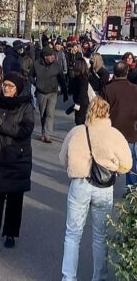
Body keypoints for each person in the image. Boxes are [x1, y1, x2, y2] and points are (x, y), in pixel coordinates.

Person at [59, 96, 132, 281]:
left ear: (89, 111)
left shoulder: (77, 132)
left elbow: (62, 158)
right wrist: (115, 166)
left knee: (73, 234)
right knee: (100, 236)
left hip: (80, 184)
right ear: (107, 113)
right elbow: (127, 164)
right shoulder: (114, 134)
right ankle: (99, 276)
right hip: (104, 188)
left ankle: (68, 277)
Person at [0, 72, 34, 252]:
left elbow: (25, 130)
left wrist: (2, 124)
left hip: (17, 159)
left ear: (18, 89)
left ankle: (11, 233)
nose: (6, 88)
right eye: (5, 85)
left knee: (14, 199)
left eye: (10, 86)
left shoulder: (26, 106)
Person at [102, 61, 137, 193]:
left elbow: (102, 111)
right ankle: (132, 188)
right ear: (127, 72)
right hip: (132, 130)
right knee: (131, 160)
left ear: (115, 73)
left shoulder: (108, 89)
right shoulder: (134, 89)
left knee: (109, 160)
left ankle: (106, 185)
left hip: (113, 131)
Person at [30, 46, 68, 143]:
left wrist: (65, 92)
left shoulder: (56, 65)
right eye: (50, 55)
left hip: (52, 92)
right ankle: (43, 132)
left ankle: (48, 134)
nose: (53, 57)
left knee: (50, 113)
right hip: (41, 92)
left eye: (53, 55)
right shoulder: (36, 64)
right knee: (43, 113)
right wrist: (35, 83)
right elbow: (30, 75)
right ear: (45, 57)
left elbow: (62, 79)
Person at [70, 58, 89, 125]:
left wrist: (78, 103)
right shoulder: (77, 77)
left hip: (81, 103)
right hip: (79, 102)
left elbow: (82, 92)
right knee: (78, 120)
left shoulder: (82, 78)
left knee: (80, 121)